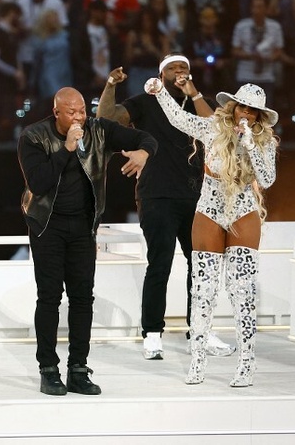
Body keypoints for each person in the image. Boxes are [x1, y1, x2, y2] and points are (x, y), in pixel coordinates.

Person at [18, 87, 158, 396]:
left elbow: (145, 138)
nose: (80, 116)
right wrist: (66, 149)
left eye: (82, 110)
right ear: (57, 113)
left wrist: (143, 153)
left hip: (83, 227)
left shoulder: (99, 130)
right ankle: (48, 370)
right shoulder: (33, 136)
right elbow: (38, 182)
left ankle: (78, 369)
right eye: (72, 112)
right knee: (50, 297)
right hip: (47, 226)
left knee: (83, 298)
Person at [97, 55, 235, 361]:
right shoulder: (145, 102)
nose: (180, 73)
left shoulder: (199, 101)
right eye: (174, 68)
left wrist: (194, 94)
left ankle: (199, 331)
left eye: (185, 68)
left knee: (200, 267)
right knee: (159, 264)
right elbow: (107, 117)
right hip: (156, 195)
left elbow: (216, 129)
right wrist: (110, 85)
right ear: (160, 74)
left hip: (197, 197)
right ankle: (153, 334)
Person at [144, 76, 279, 387]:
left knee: (241, 290)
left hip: (243, 211)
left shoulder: (264, 141)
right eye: (242, 106)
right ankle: (197, 359)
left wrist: (249, 144)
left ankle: (246, 362)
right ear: (232, 107)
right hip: (209, 210)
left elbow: (268, 179)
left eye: (252, 110)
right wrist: (161, 91)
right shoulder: (211, 129)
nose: (245, 113)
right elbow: (180, 119)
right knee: (203, 290)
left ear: (259, 115)